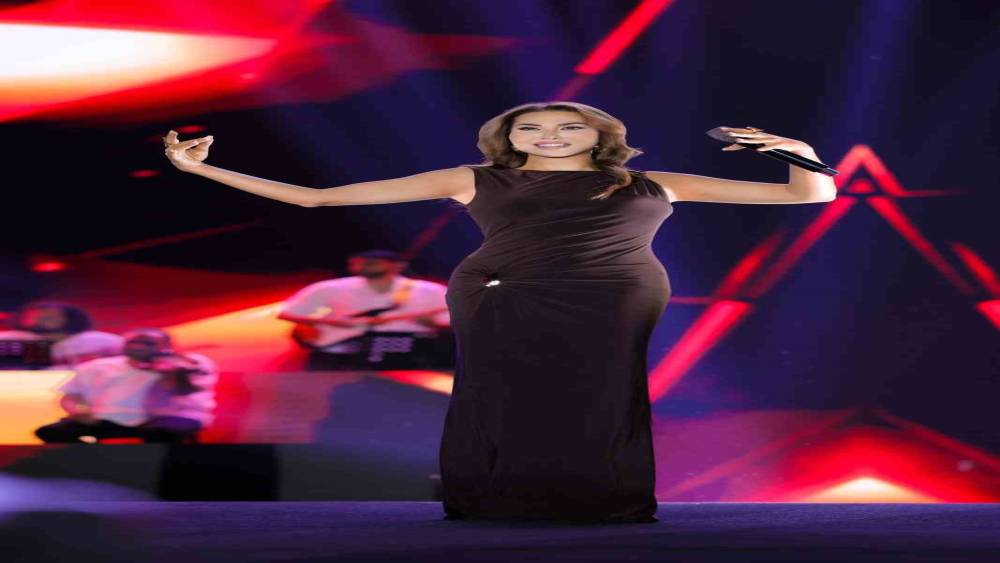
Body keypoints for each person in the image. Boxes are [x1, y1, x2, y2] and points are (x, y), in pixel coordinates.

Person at [162, 101, 836, 523]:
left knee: (607, 391)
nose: (549, 135)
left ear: (600, 134)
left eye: (568, 126)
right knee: (500, 391)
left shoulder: (648, 182)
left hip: (617, 290)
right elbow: (319, 197)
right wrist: (200, 171)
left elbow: (808, 195)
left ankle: (604, 499)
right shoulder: (476, 178)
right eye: (530, 127)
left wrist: (793, 151)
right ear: (507, 136)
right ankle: (492, 498)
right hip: (502, 288)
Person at [35, 328, 218, 444]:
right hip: (108, 418)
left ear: (166, 345)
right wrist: (82, 412)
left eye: (147, 343)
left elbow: (185, 390)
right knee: (51, 432)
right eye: (133, 342)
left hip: (171, 417)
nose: (138, 346)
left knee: (162, 432)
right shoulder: (98, 366)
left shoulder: (191, 363)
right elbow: (72, 396)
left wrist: (171, 371)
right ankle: (93, 463)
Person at [277, 249, 452, 369]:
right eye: (358, 263)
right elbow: (288, 313)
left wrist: (432, 324)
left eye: (372, 262)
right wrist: (331, 321)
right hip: (344, 351)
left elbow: (455, 323)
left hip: (412, 353)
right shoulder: (329, 288)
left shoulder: (431, 290)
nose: (364, 265)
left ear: (398, 265)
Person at [0, 302, 123, 368]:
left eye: (50, 316)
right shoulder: (12, 338)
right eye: (35, 315)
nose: (40, 318)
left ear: (71, 319)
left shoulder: (102, 341)